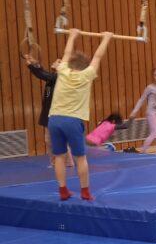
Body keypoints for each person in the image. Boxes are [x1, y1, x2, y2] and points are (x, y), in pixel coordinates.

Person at [47, 29, 113, 201]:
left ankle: (63, 190)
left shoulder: (62, 70)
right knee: (80, 157)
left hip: (54, 119)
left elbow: (66, 53)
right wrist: (106, 38)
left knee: (59, 157)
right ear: (85, 67)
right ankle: (85, 191)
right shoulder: (87, 75)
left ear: (70, 64)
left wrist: (72, 36)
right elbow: (98, 56)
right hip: (72, 121)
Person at [24, 54, 74, 168]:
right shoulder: (53, 77)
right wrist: (36, 64)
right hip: (49, 112)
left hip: (58, 113)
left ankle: (68, 162)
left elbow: (42, 75)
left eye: (59, 62)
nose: (55, 61)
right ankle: (54, 162)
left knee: (59, 139)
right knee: (49, 140)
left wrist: (31, 66)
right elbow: (44, 73)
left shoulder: (60, 77)